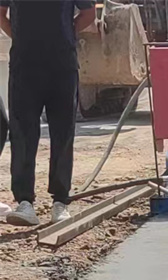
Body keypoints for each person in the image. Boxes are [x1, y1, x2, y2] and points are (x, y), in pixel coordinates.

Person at [0, 0, 98, 226]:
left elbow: (88, 13)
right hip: (25, 66)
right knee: (22, 134)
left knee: (62, 133)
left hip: (62, 64)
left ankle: (60, 202)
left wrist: (67, 33)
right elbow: (1, 13)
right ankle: (25, 202)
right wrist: (20, 37)